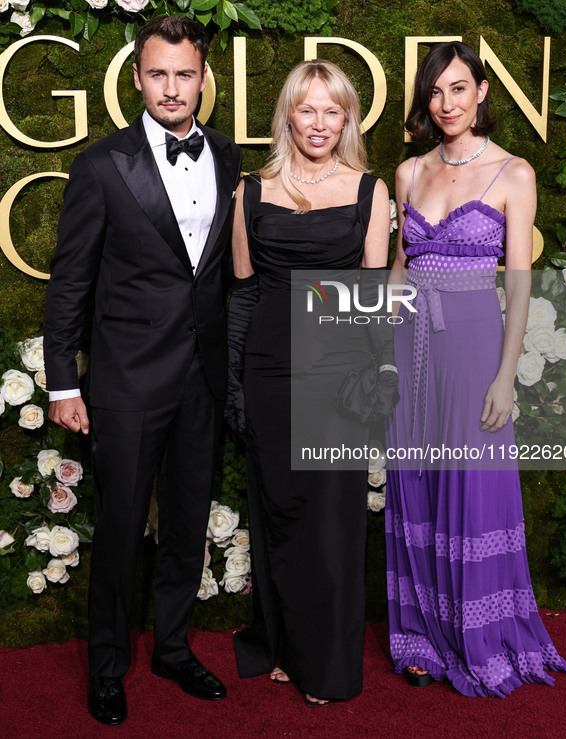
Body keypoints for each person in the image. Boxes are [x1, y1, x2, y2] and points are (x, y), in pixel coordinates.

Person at [43, 16, 242, 725]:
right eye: (157, 73)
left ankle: (174, 646)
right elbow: (69, 283)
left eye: (184, 74)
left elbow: (223, 275)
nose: (171, 88)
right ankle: (106, 664)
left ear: (201, 78)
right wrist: (64, 381)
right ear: (136, 77)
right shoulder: (101, 166)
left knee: (187, 521)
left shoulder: (224, 154)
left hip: (201, 375)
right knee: (123, 524)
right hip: (126, 377)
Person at [385, 41, 566, 696]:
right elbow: (400, 268)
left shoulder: (513, 173)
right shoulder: (407, 174)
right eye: (435, 92)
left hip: (472, 349)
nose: (446, 103)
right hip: (411, 349)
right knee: (415, 484)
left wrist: (503, 374)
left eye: (458, 88)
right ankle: (419, 637)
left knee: (471, 488)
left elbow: (518, 285)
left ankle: (479, 635)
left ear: (482, 90)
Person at [226, 60, 394, 706]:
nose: (318, 123)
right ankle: (282, 646)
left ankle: (324, 666)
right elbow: (241, 295)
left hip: (339, 377)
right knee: (279, 513)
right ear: (288, 116)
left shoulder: (368, 191)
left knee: (331, 523)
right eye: (307, 109)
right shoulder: (252, 190)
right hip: (269, 369)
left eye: (332, 110)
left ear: (346, 117)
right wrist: (238, 383)